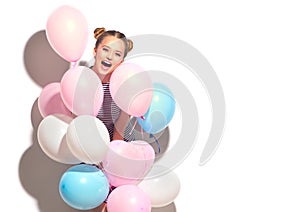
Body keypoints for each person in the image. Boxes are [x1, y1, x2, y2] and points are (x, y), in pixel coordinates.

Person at [91, 27, 134, 142]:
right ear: (95, 51)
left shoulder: (122, 84)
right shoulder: (82, 80)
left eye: (117, 54)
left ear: (121, 61)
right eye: (105, 49)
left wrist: (114, 152)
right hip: (90, 142)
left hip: (118, 141)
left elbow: (121, 126)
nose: (109, 57)